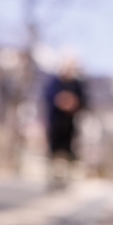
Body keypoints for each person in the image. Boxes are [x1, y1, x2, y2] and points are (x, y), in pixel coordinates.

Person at [43, 52, 86, 187]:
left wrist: (73, 103)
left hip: (70, 124)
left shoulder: (77, 85)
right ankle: (51, 177)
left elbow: (85, 102)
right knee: (53, 150)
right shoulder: (55, 82)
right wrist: (60, 100)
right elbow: (48, 97)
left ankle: (65, 179)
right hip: (55, 122)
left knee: (68, 151)